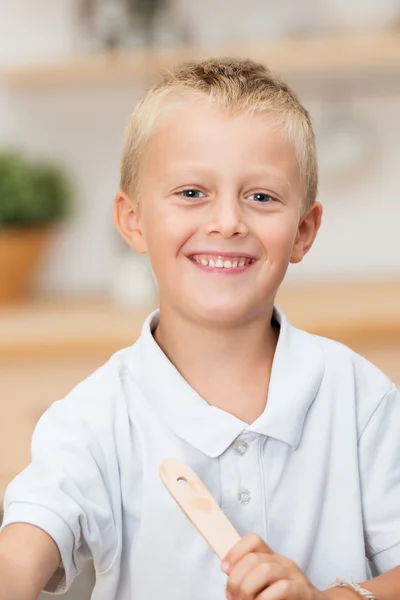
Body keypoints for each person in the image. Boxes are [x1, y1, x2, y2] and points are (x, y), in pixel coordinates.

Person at [0, 57, 399, 600]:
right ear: (133, 221)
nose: (227, 221)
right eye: (192, 193)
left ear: (303, 231)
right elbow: (21, 551)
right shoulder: (91, 421)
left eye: (261, 197)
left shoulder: (361, 400)